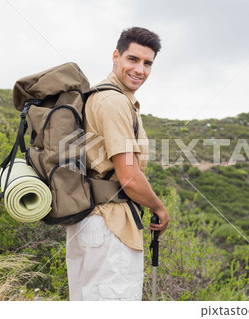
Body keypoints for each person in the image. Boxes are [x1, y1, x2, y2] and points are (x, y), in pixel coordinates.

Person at [66, 27, 170, 301]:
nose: (140, 70)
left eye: (148, 63)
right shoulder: (114, 101)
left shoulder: (101, 96)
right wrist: (158, 207)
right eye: (133, 59)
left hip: (88, 223)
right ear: (116, 56)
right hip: (111, 228)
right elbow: (129, 177)